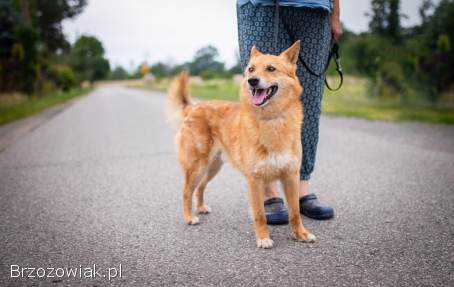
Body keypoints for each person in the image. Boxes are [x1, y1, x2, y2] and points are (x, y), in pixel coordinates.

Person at [236, 0, 342, 224]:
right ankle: (269, 192)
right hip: (262, 6)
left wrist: (335, 15)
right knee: (260, 92)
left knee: (308, 100)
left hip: (314, 8)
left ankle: (301, 188)